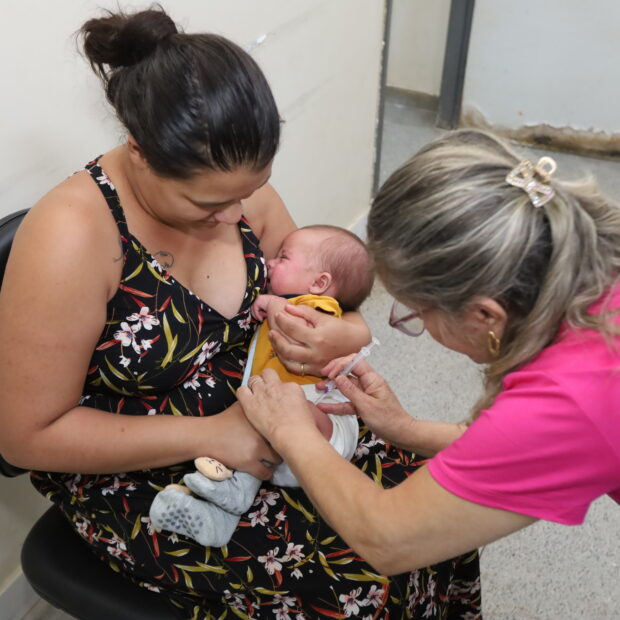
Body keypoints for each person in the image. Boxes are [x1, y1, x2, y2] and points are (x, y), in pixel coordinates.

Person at [0, 7, 482, 619]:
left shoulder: (237, 189)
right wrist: (215, 433)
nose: (235, 216)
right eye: (208, 203)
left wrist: (341, 332)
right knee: (360, 581)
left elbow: (330, 301)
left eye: (247, 193)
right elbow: (27, 436)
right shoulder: (71, 237)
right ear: (140, 152)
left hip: (281, 413)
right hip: (150, 470)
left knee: (436, 507)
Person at [239, 128, 620, 579]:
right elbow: (523, 447)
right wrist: (405, 429)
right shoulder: (593, 273)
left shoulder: (572, 396)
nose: (415, 323)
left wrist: (291, 430)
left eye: (416, 313)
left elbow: (387, 540)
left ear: (485, 315)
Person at [149, 225, 373, 547]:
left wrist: (274, 303)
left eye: (283, 257)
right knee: (256, 434)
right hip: (281, 452)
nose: (270, 262)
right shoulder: (301, 297)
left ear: (319, 283)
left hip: (325, 424)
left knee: (284, 411)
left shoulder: (320, 307)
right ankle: (221, 515)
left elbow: (298, 325)